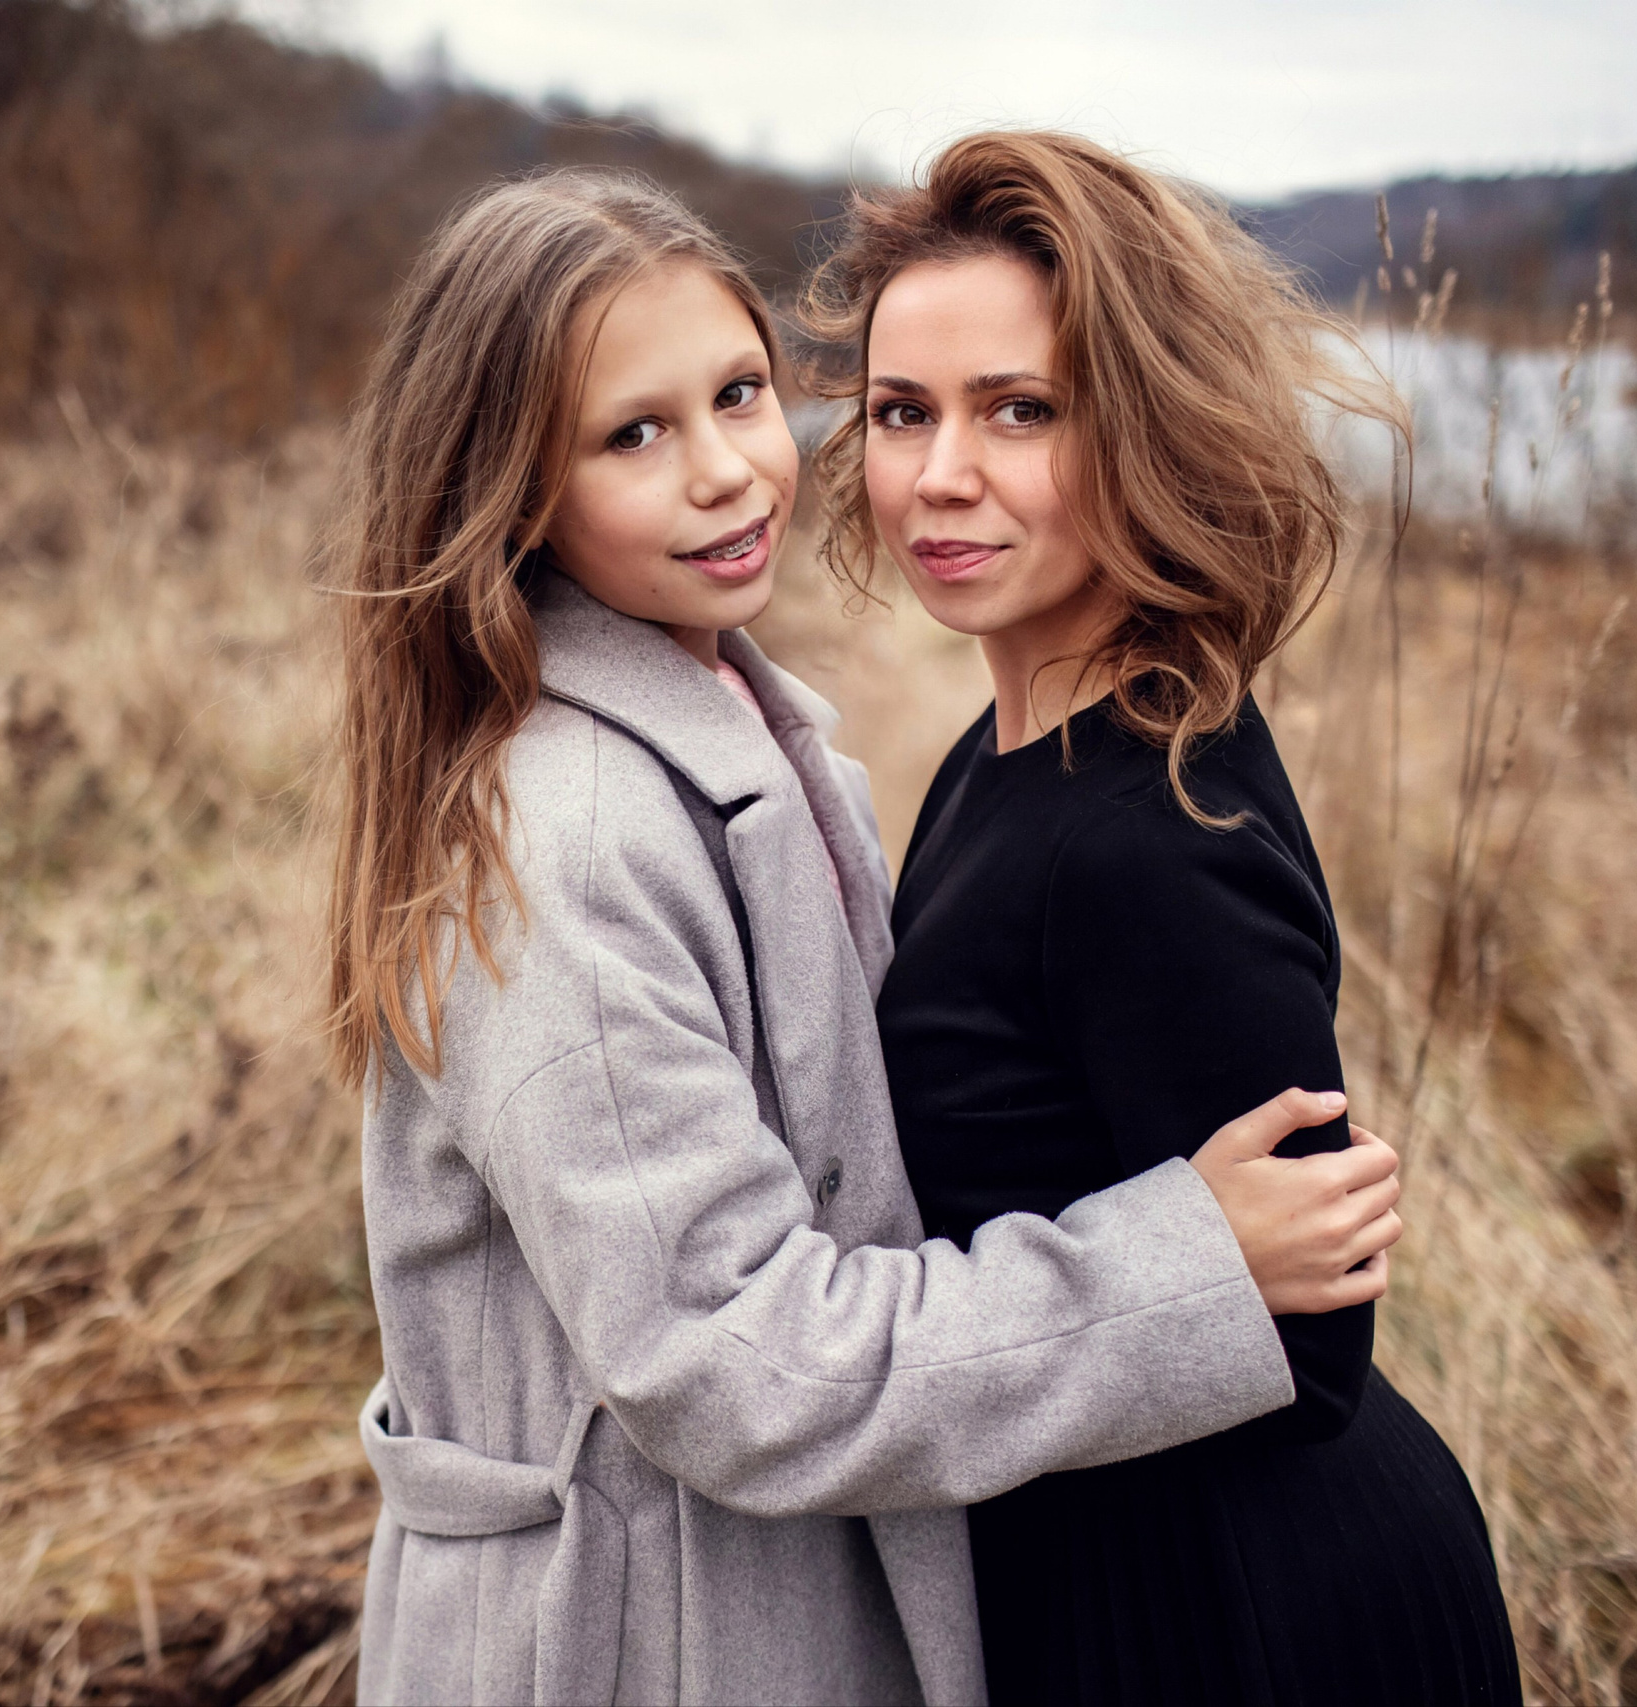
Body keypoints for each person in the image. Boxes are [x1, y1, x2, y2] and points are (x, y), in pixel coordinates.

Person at [324, 167, 1404, 1707]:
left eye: (739, 394)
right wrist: (1182, 1269)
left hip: (816, 1594)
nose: (727, 473)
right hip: (625, 1640)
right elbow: (734, 1357)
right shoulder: (565, 845)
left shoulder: (789, 758)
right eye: (634, 434)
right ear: (512, 488)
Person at [807, 130, 1522, 1704]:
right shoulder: (1008, 759)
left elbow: (1312, 1350)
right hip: (1108, 1567)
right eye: (903, 411)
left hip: (1235, 1615)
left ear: (1140, 427)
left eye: (1020, 410)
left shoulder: (1149, 831)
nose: (941, 474)